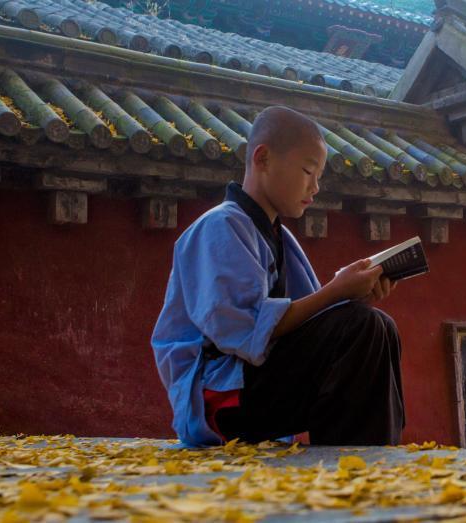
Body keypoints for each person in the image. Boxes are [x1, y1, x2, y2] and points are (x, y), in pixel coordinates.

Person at [151, 106, 404, 448]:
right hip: (220, 397)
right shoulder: (220, 226)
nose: (315, 187)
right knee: (362, 326)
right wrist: (335, 291)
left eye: (318, 177)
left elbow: (310, 331)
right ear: (263, 158)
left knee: (378, 325)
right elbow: (245, 331)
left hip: (255, 388)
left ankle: (363, 455)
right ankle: (355, 461)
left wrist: (353, 297)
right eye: (308, 171)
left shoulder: (280, 238)